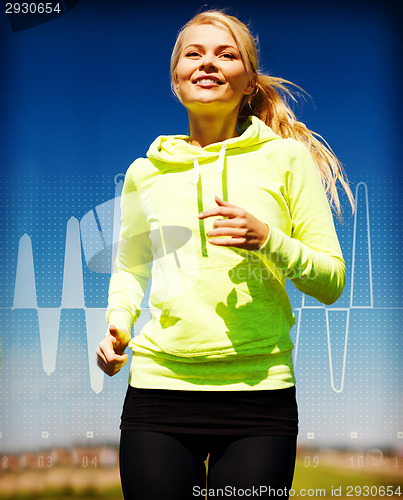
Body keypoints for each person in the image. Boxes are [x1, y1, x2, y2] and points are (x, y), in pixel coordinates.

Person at [96, 10, 354, 500]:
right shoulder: (143, 173)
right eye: (193, 53)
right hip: (158, 393)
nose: (207, 62)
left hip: (260, 397)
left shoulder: (285, 159)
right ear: (176, 78)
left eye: (225, 53)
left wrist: (268, 240)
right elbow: (130, 267)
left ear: (249, 81)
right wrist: (118, 325)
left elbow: (332, 281)